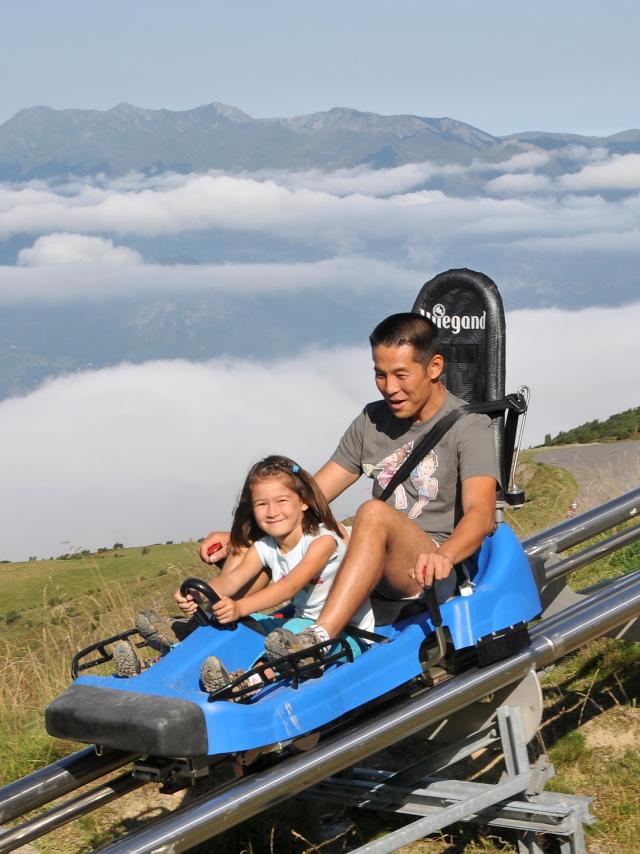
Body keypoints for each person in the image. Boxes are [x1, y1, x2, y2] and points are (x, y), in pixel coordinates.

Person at [193, 313, 498, 658]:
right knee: (270, 528)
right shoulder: (372, 421)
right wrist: (240, 537)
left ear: (434, 367)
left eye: (401, 374)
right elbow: (311, 496)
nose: (390, 388)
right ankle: (207, 633)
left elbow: (480, 514)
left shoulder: (469, 427)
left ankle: (319, 636)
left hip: (428, 566)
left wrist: (444, 556)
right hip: (370, 551)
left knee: (371, 513)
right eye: (380, 375)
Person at [114, 455, 373, 690]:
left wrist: (240, 606)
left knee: (273, 635)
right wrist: (200, 594)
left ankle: (242, 683)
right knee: (240, 627)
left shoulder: (322, 541)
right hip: (300, 624)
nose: (272, 512)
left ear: (304, 502)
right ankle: (160, 668)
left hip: (341, 633)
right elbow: (231, 580)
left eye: (281, 501)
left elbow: (289, 587)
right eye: (262, 504)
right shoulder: (265, 546)